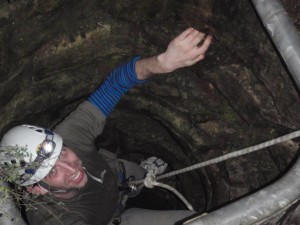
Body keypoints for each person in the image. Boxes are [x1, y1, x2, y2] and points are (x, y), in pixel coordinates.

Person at [0, 28, 212, 225]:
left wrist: (163, 61)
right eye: (52, 171)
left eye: (62, 153)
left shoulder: (68, 135)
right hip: (116, 221)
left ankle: (142, 177)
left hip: (119, 176)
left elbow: (116, 83)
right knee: (193, 221)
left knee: (143, 181)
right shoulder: (50, 216)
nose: (71, 167)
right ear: (37, 189)